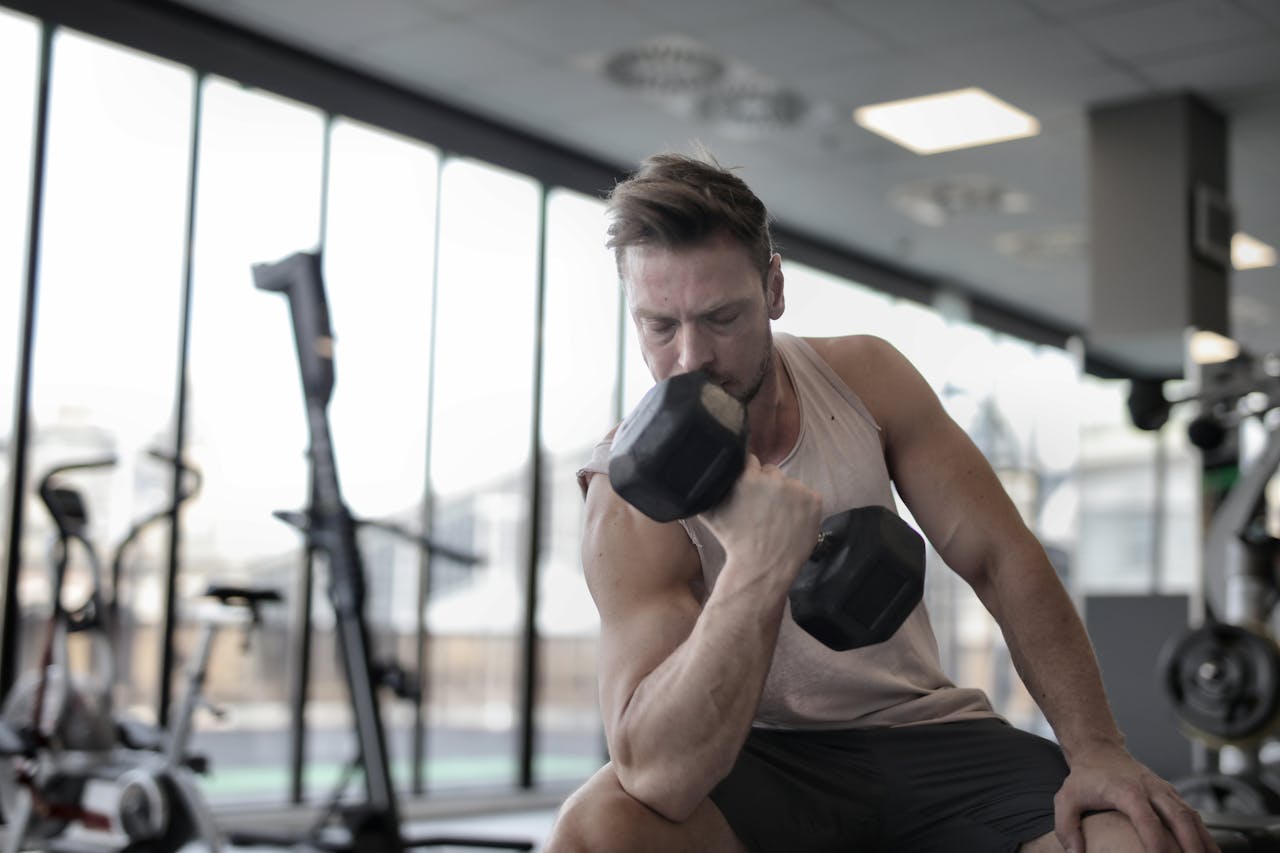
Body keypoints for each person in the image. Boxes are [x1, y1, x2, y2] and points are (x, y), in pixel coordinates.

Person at [543, 150, 1217, 853]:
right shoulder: (628, 496)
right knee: (595, 832)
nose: (690, 358)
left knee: (1143, 842)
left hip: (930, 735)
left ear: (773, 289)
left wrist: (1096, 746)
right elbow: (657, 775)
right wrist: (755, 566)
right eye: (660, 326)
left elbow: (998, 557)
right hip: (762, 760)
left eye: (720, 317)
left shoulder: (865, 379)